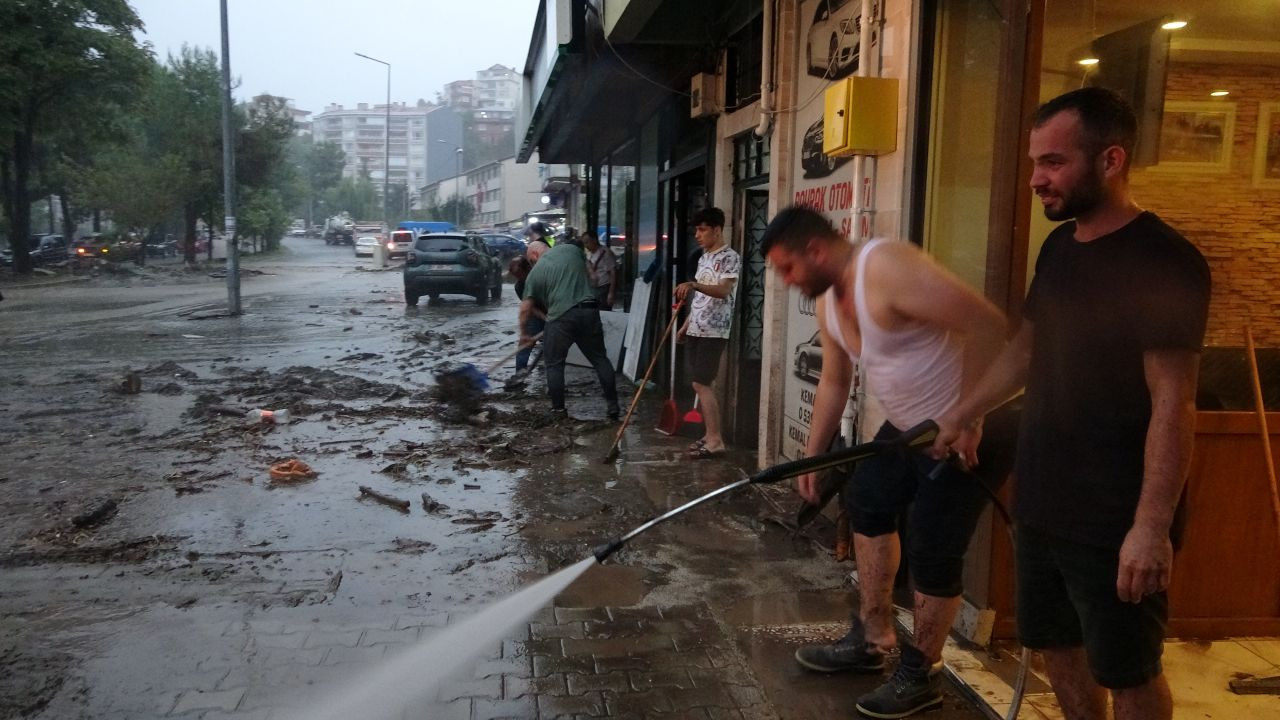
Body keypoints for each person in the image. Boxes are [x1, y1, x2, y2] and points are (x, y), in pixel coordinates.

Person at [932, 88, 1210, 720]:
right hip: (1044, 500)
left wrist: (1150, 527)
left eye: (1053, 163)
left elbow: (1175, 400)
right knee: (1058, 649)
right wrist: (966, 409)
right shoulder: (1059, 248)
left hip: (1115, 515)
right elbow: (1025, 352)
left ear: (1111, 161)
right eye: (1035, 163)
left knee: (1129, 670)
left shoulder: (1165, 261)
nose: (1036, 180)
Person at [762, 204, 1014, 718]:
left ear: (815, 249)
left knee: (933, 544)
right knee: (869, 501)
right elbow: (834, 381)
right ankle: (873, 638)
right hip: (908, 429)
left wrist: (968, 415)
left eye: (788, 268)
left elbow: (988, 325)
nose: (786, 281)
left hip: (971, 429)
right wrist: (812, 460)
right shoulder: (831, 303)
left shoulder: (886, 267)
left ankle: (923, 672)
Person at [519, 240, 620, 421]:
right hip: (589, 310)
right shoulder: (571, 249)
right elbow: (593, 276)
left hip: (560, 319)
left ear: (534, 255)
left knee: (555, 364)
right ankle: (613, 406)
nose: (532, 264)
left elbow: (526, 308)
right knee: (600, 359)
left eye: (531, 260)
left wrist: (524, 334)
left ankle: (559, 410)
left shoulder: (534, 274)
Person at [674, 207, 739, 459]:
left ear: (717, 229)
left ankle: (715, 440)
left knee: (701, 382)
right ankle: (710, 435)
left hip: (715, 330)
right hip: (697, 327)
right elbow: (700, 298)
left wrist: (692, 284)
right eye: (696, 230)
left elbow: (723, 290)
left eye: (702, 230)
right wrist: (686, 323)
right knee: (701, 383)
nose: (698, 235)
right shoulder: (703, 258)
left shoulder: (729, 257)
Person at [582, 230, 617, 310]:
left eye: (587, 242)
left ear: (594, 240)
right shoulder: (589, 254)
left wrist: (611, 293)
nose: (586, 245)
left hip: (604, 288)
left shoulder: (605, 252)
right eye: (584, 243)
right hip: (594, 289)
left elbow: (613, 273)